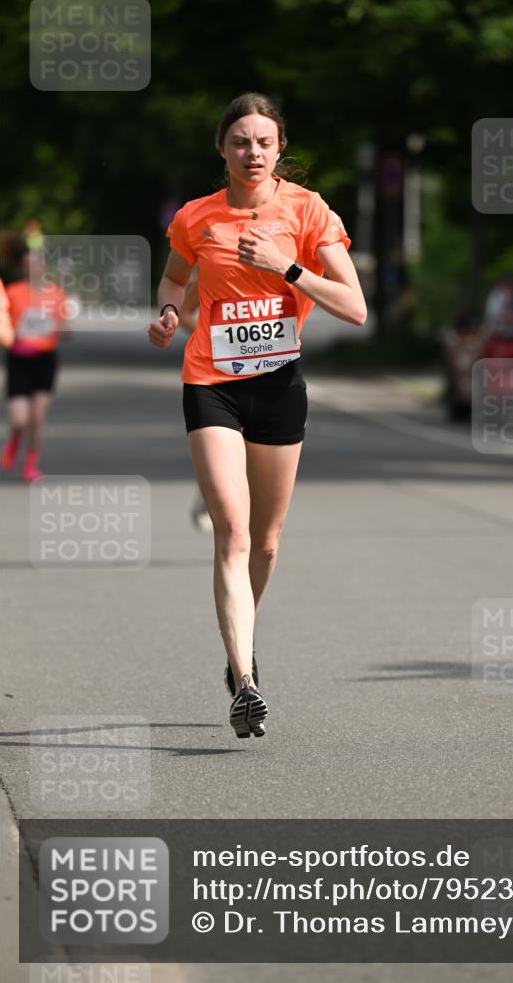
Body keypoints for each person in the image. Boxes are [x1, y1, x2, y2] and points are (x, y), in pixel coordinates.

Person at [148, 92, 366, 738]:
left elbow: (354, 307)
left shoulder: (307, 210)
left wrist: (286, 266)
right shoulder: (196, 217)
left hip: (277, 386)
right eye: (240, 141)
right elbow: (173, 280)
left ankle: (240, 644)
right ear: (222, 149)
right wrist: (167, 313)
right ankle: (245, 681)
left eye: (264, 142)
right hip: (210, 382)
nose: (252, 152)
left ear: (279, 150)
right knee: (234, 534)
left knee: (266, 542)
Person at [0, 239, 69, 482]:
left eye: (37, 263)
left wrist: (56, 327)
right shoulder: (12, 292)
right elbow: (3, 325)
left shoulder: (56, 294)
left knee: (37, 417)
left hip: (45, 360)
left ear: (43, 267)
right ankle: (14, 440)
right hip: (19, 359)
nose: (33, 267)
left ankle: (30, 463)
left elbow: (66, 331)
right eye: (28, 264)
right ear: (22, 267)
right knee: (20, 419)